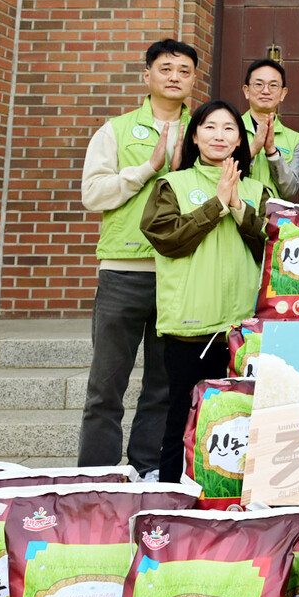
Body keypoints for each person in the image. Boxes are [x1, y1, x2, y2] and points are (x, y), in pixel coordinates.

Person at [78, 38, 197, 480]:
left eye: (184, 71)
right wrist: (147, 168)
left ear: (193, 80)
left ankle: (147, 467)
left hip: (178, 272)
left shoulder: (202, 129)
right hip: (123, 272)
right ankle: (96, 475)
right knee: (105, 385)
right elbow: (93, 194)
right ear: (147, 75)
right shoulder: (117, 130)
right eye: (165, 68)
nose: (174, 77)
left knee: (162, 385)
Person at [140, 100, 271, 483]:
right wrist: (217, 204)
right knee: (181, 418)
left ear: (240, 140)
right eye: (210, 127)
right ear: (194, 136)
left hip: (245, 332)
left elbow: (272, 249)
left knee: (246, 420)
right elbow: (167, 239)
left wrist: (239, 206)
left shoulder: (258, 190)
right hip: (191, 327)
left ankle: (239, 497)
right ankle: (170, 497)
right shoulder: (172, 184)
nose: (219, 135)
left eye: (229, 128)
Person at [241, 58, 299, 200]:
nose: (265, 91)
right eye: (258, 84)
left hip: (274, 213)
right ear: (246, 91)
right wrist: (253, 150)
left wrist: (272, 152)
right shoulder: (229, 129)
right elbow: (218, 174)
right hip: (236, 210)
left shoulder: (295, 139)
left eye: (273, 85)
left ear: (283, 93)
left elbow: (290, 190)